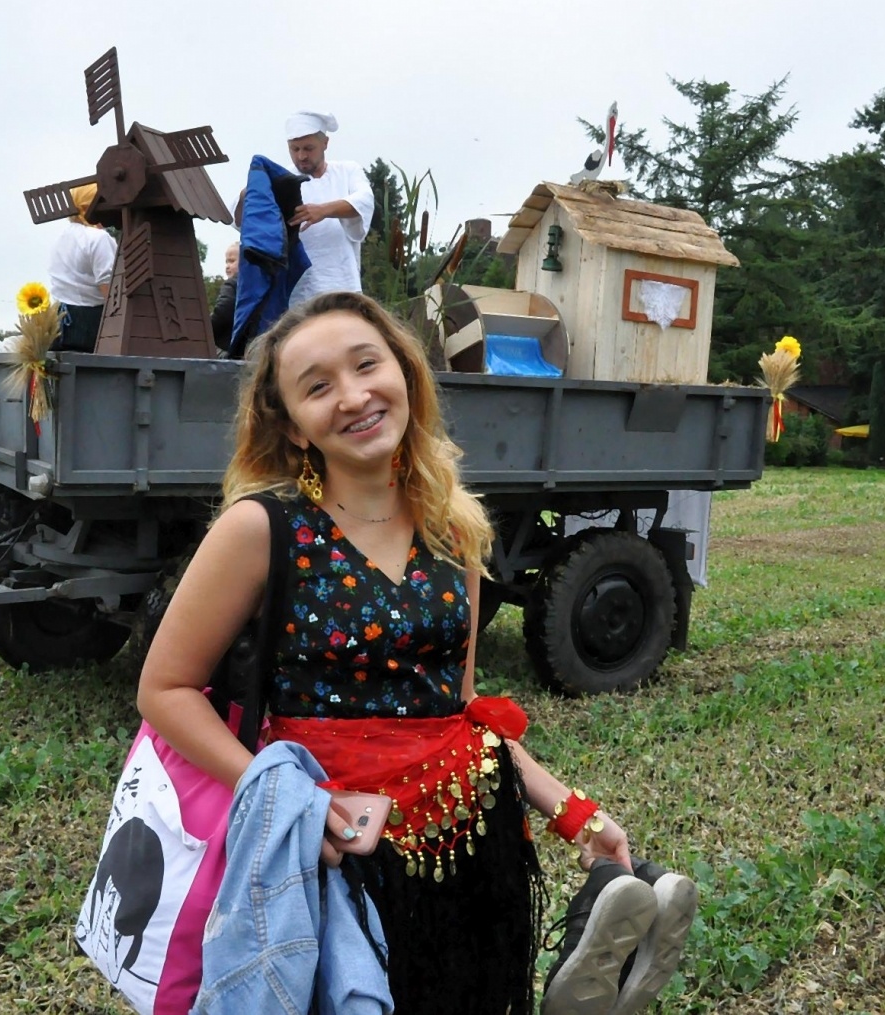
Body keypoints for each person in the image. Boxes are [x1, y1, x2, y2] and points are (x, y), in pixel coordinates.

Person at [138, 291, 692, 1015]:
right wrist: (293, 803)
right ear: (292, 425)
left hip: (469, 845)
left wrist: (575, 813)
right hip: (341, 858)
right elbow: (165, 688)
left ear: (404, 372)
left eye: (367, 365)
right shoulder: (261, 527)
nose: (354, 395)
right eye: (318, 385)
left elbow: (457, 711)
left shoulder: (451, 527)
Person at [283, 112, 374, 307]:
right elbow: (242, 218)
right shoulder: (282, 178)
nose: (301, 156)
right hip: (299, 290)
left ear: (325, 143)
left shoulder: (347, 170)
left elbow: (364, 200)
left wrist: (323, 210)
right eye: (294, 149)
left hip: (343, 283)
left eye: (308, 148)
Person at [48, 183, 116, 353]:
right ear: (90, 207)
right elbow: (109, 288)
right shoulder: (99, 238)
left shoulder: (62, 237)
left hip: (58, 323)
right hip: (88, 325)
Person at [211, 241, 239, 354]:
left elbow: (224, 309)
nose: (227, 266)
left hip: (226, 346)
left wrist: (207, 328)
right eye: (226, 262)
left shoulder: (231, 284)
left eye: (232, 261)